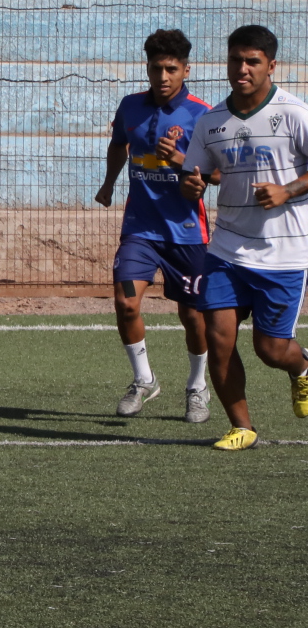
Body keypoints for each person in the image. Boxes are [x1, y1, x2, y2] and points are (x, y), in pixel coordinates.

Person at [180, 23, 308, 450]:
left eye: (252, 61)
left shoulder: (294, 113)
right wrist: (192, 185)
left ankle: (301, 369)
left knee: (271, 350)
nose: (242, 68)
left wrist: (287, 190)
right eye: (236, 59)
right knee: (218, 337)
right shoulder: (211, 121)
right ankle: (242, 426)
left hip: (283, 252)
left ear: (271, 65)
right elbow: (191, 174)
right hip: (227, 248)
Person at [93, 30, 214, 422]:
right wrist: (109, 183)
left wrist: (181, 160)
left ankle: (197, 387)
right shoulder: (131, 106)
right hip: (140, 230)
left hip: (186, 234)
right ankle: (144, 380)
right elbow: (118, 145)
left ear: (186, 70)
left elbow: (215, 175)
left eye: (171, 69)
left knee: (192, 316)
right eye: (156, 68)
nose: (162, 76)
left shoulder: (202, 114)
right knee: (126, 303)